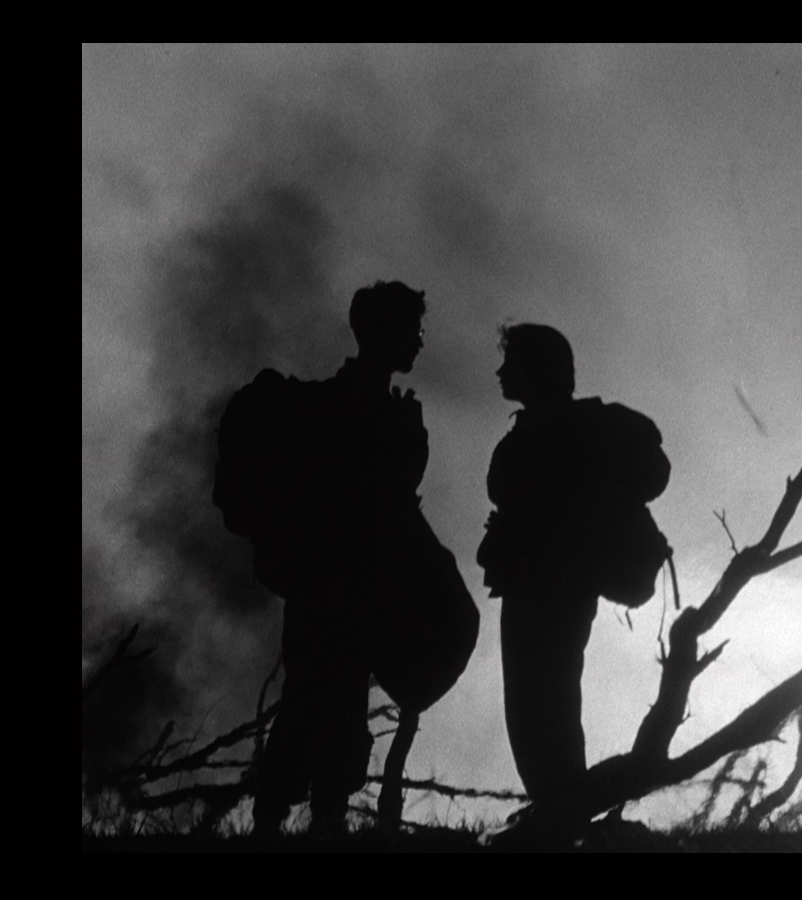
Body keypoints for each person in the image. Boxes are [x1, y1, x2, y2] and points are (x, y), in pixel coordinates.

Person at [218, 280, 477, 837]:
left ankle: (310, 818)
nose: (419, 341)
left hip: (343, 582)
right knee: (316, 700)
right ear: (379, 332)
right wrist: (407, 441)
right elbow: (377, 500)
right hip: (335, 582)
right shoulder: (351, 408)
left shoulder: (353, 405)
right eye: (410, 330)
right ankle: (286, 817)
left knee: (326, 699)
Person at [477, 323, 670, 846]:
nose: (501, 372)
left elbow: (535, 499)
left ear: (536, 370)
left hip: (548, 587)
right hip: (551, 584)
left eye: (512, 362)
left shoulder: (557, 433)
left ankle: (558, 818)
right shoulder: (566, 428)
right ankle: (558, 813)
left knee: (540, 703)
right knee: (547, 701)